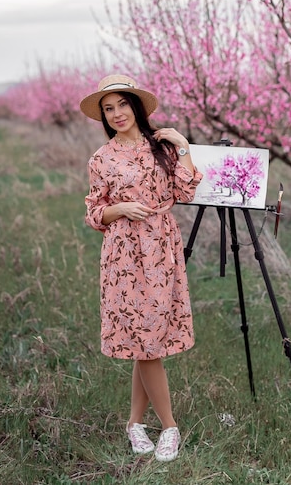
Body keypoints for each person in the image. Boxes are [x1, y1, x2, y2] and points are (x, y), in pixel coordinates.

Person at [79, 74, 202, 462]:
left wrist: (182, 147)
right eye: (108, 108)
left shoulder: (161, 147)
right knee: (146, 340)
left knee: (147, 340)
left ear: (136, 106)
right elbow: (94, 211)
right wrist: (120, 209)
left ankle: (134, 423)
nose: (116, 114)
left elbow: (186, 191)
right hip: (124, 254)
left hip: (162, 248)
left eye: (122, 104)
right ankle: (169, 426)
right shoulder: (101, 159)